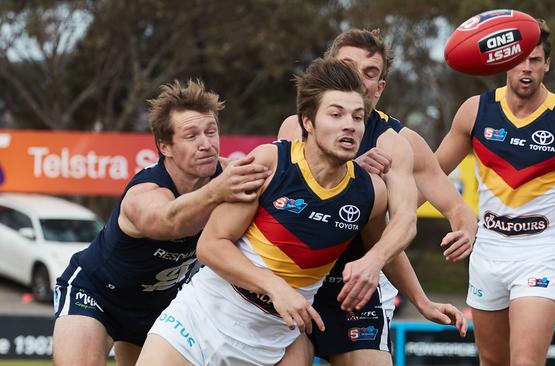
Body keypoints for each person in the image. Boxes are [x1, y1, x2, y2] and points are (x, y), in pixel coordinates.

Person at [136, 58, 416, 366]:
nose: (349, 124)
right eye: (335, 114)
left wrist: (420, 299)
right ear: (307, 122)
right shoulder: (270, 163)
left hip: (272, 342)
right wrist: (275, 287)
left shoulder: (368, 192)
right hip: (201, 321)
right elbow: (210, 246)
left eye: (358, 116)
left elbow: (393, 239)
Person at [278, 29, 475, 366]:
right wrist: (351, 170)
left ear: (379, 88)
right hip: (295, 277)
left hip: (359, 282)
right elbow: (293, 205)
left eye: (370, 73)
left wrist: (464, 228)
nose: (357, 77)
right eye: (347, 66)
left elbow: (449, 208)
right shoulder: (297, 128)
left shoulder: (399, 143)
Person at [435, 19, 555, 365]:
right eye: (519, 59)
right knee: (492, 360)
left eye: (535, 60)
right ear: (504, 61)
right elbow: (431, 173)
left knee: (525, 361)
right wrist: (388, 225)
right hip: (488, 249)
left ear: (547, 64)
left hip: (541, 250)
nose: (526, 68)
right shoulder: (476, 111)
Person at [52, 79, 271, 366]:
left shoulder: (230, 176)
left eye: (211, 131)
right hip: (96, 295)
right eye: (191, 136)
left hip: (161, 307)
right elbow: (167, 221)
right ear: (165, 146)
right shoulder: (145, 192)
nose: (206, 144)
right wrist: (215, 192)